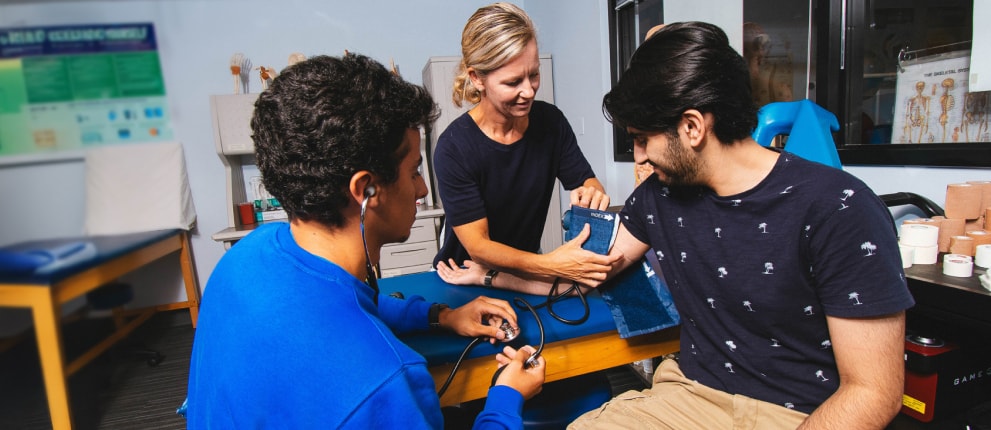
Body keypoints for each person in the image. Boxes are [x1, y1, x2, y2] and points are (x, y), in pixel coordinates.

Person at [451, 22, 914, 429]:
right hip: (687, 395)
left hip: (795, 415)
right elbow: (586, 273)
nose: (637, 158)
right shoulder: (659, 196)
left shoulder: (839, 208)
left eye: (640, 140)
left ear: (692, 127)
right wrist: (491, 276)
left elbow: (873, 393)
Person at [186, 53, 545, 429]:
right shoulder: (385, 383)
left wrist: (440, 316)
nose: (422, 189)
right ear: (366, 189)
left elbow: (348, 300)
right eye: (414, 172)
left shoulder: (245, 256)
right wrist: (507, 397)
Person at [432, 2, 619, 287]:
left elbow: (587, 182)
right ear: (476, 78)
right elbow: (478, 246)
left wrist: (592, 194)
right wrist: (553, 264)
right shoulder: (454, 148)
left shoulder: (550, 123)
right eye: (513, 81)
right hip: (465, 274)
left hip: (527, 266)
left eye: (533, 74)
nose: (528, 90)